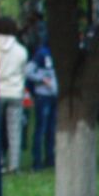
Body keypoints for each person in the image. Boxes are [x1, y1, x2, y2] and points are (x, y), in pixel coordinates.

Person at [0, 16, 28, 170]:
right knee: (15, 130)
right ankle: (14, 164)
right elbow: (23, 74)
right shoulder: (21, 50)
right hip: (15, 92)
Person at [26, 41, 57, 170]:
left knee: (51, 129)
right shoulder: (42, 54)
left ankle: (49, 157)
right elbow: (28, 71)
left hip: (53, 95)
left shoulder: (56, 53)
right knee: (42, 128)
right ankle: (37, 160)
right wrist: (42, 79)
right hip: (43, 95)